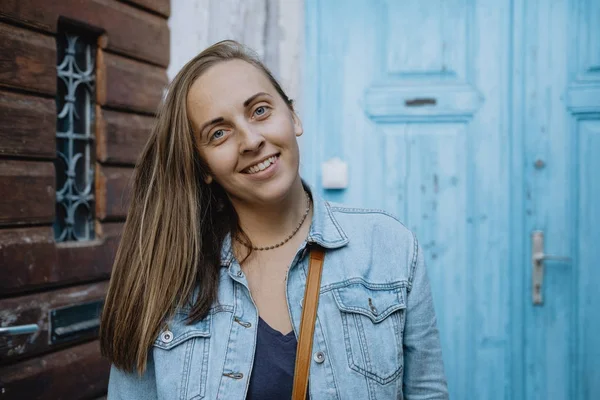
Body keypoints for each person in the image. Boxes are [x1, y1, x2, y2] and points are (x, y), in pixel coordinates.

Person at [101, 40, 448, 400]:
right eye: (218, 133)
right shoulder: (165, 279)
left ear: (293, 116)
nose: (250, 140)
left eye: (260, 111)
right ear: (202, 166)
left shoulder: (388, 246)